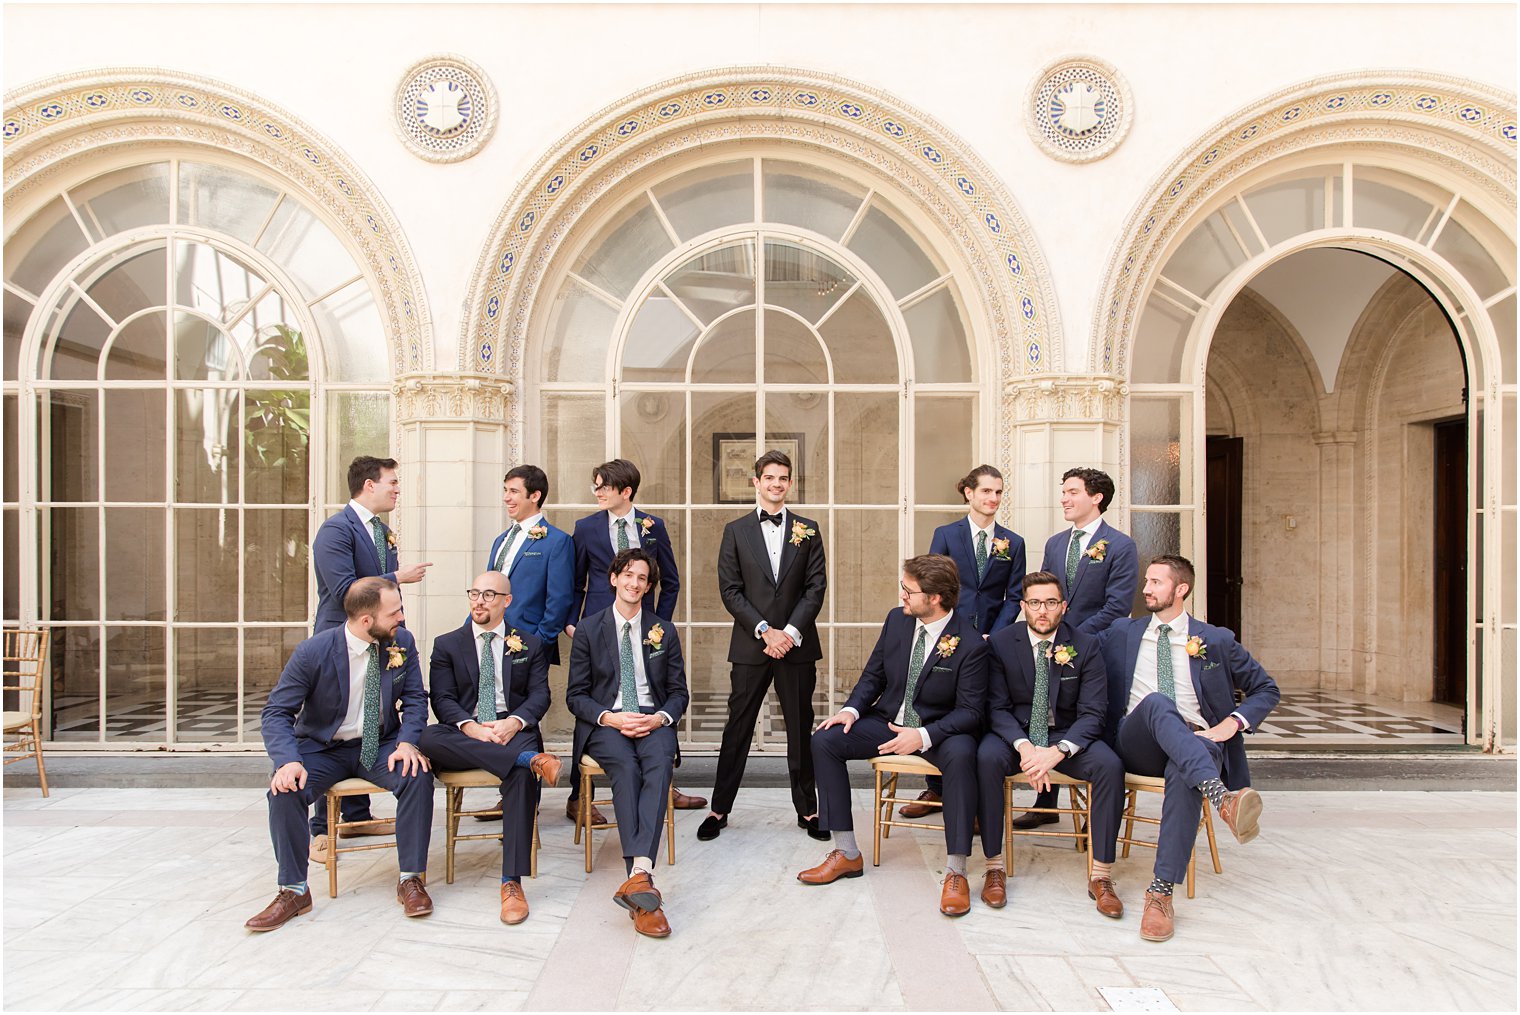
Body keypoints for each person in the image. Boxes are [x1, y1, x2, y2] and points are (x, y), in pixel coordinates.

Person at [1097, 555, 1280, 942]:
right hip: (1138, 741)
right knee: (1159, 704)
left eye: (1156, 583)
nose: (1146, 589)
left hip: (1198, 742)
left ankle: (1160, 894)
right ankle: (1223, 797)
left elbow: (1266, 688)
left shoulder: (1214, 639)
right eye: (1146, 582)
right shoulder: (1121, 633)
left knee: (1187, 770)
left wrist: (1231, 724)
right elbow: (1072, 645)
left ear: (1181, 589)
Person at [797, 555, 987, 917]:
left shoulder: (971, 643)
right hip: (887, 720)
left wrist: (923, 736)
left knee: (964, 757)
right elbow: (874, 675)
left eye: (908, 590)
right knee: (824, 740)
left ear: (935, 598)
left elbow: (971, 712)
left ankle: (956, 871)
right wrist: (850, 711)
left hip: (941, 730)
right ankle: (847, 853)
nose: (901, 595)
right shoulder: (897, 621)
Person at [244, 578, 434, 932]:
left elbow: (415, 698)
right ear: (366, 621)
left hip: (379, 746)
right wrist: (288, 761)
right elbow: (276, 712)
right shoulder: (313, 652)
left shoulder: (401, 642)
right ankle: (294, 890)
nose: (402, 619)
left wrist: (408, 742)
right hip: (324, 749)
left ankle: (411, 878)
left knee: (417, 774)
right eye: (395, 613)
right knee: (283, 789)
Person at [975, 571, 1125, 917]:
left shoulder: (1086, 645)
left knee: (1110, 765)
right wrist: (1027, 749)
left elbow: (1093, 712)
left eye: (1051, 603)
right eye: (1035, 603)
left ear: (1064, 606)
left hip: (1066, 736)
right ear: (1024, 605)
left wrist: (1056, 752)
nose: (1043, 611)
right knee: (985, 758)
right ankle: (994, 866)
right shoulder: (1000, 643)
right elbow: (995, 708)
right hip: (1017, 735)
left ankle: (1101, 874)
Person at [417, 571, 562, 925]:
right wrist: (471, 727)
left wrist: (514, 723)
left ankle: (511, 882)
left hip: (512, 724)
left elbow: (540, 695)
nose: (479, 601)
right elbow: (443, 699)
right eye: (474, 593)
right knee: (426, 737)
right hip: (466, 730)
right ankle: (529, 760)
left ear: (506, 601)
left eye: (489, 595)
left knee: (519, 777)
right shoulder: (447, 644)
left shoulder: (528, 643)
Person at [701, 450, 829, 843]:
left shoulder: (808, 529)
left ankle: (808, 809)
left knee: (799, 727)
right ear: (756, 482)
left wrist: (788, 632)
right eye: (769, 477)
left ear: (790, 484)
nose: (776, 484)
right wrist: (765, 631)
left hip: (796, 647)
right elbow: (730, 589)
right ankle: (719, 808)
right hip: (751, 646)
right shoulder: (735, 531)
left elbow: (815, 587)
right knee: (737, 727)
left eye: (783, 478)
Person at [308, 456, 433, 850]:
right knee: (334, 720)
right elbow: (346, 588)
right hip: (340, 639)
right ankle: (320, 830)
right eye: (392, 482)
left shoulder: (383, 531)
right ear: (368, 485)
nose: (397, 489)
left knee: (368, 715)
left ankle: (357, 816)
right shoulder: (335, 530)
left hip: (382, 637)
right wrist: (398, 576)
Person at [567, 459, 704, 813]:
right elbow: (576, 581)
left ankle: (664, 786)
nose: (597, 492)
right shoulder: (585, 528)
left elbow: (669, 580)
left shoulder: (652, 525)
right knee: (596, 697)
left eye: (604, 486)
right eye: (595, 485)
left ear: (625, 491)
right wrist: (572, 621)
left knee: (655, 696)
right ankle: (579, 798)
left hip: (645, 625)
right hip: (599, 626)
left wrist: (660, 624)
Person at [566, 548, 689, 939]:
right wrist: (611, 717)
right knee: (624, 768)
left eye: (643, 579)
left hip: (653, 719)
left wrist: (658, 718)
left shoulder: (663, 631)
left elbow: (678, 693)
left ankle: (638, 875)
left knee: (657, 767)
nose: (635, 583)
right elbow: (576, 695)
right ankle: (641, 878)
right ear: (614, 578)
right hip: (608, 722)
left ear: (648, 586)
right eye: (629, 575)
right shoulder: (588, 630)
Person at [902, 464, 1026, 820]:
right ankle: (935, 789)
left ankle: (976, 797)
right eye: (987, 491)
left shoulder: (1012, 543)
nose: (993, 498)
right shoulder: (946, 534)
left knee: (982, 709)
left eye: (999, 492)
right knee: (939, 704)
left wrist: (995, 634)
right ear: (969, 493)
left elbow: (1014, 595)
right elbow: (931, 584)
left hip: (992, 639)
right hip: (948, 634)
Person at [1019, 467, 1139, 830]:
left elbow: (1117, 606)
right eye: (1064, 492)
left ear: (1096, 497)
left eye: (1072, 492)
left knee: (1091, 723)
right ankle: (1045, 803)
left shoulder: (1120, 546)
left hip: (1095, 649)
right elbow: (1041, 590)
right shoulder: (1056, 543)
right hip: (1049, 646)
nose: (1064, 499)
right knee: (1047, 713)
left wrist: (1072, 639)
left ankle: (1096, 813)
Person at [483, 465, 586, 822]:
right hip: (491, 643)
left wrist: (538, 643)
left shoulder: (557, 542)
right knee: (502, 715)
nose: (507, 497)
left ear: (535, 495)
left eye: (513, 491)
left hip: (529, 645)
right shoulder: (501, 540)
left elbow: (559, 599)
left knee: (526, 717)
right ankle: (513, 792)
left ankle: (527, 798)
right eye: (506, 490)